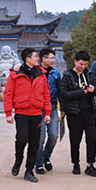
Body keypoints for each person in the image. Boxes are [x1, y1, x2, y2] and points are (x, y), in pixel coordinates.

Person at [3, 48, 52, 182]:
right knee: (22, 139)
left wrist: (47, 112)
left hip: (37, 113)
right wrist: (8, 113)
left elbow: (46, 95)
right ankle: (18, 160)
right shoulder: (15, 74)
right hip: (21, 113)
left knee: (34, 143)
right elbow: (8, 94)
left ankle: (29, 171)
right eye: (36, 56)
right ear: (28, 59)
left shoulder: (41, 74)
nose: (38, 58)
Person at [57, 50, 96, 177]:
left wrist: (93, 90)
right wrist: (82, 92)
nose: (83, 67)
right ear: (75, 61)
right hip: (75, 113)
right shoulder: (67, 75)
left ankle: (90, 164)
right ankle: (75, 163)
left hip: (90, 112)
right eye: (81, 64)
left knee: (92, 139)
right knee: (75, 140)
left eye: (85, 64)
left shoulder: (90, 74)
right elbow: (64, 94)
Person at [35, 47, 61, 175]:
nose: (53, 60)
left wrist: (64, 108)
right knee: (40, 138)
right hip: (38, 109)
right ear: (43, 59)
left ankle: (46, 156)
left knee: (54, 135)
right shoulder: (36, 71)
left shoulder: (56, 73)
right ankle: (39, 163)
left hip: (52, 108)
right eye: (51, 58)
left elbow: (60, 91)